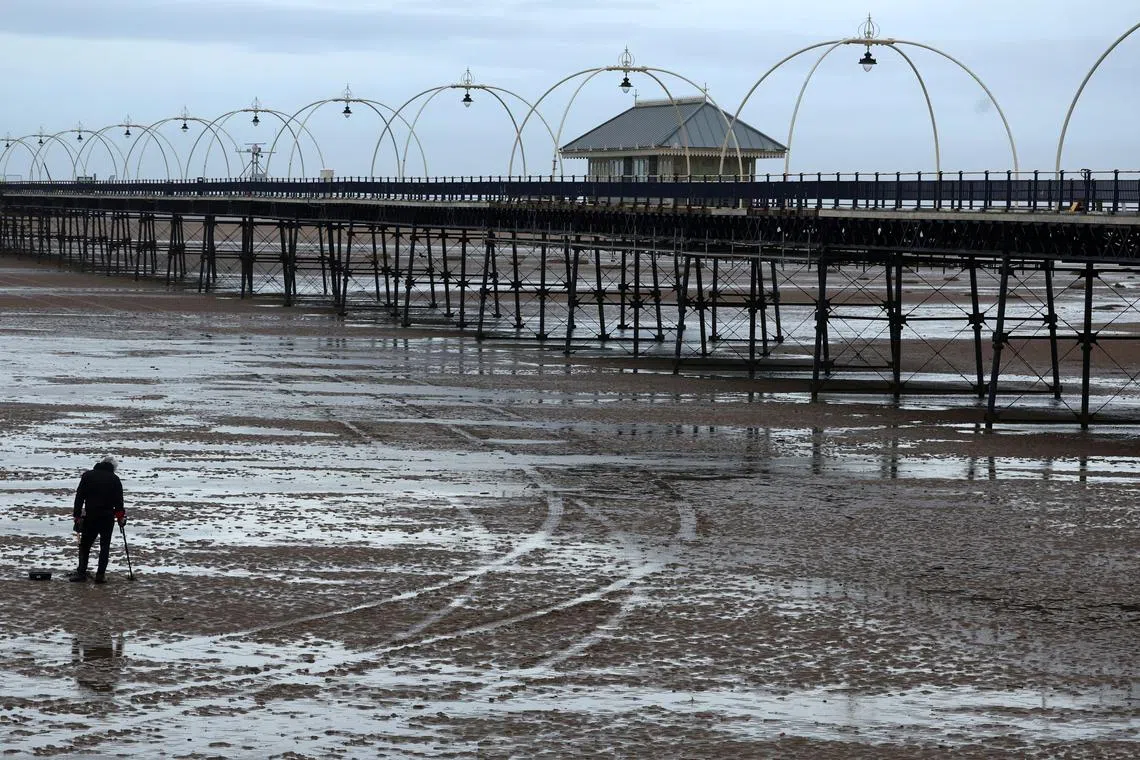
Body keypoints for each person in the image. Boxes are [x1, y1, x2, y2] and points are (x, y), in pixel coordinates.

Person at [69, 455, 126, 584]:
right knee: (104, 547)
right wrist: (120, 518)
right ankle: (100, 576)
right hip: (107, 517)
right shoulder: (115, 479)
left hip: (91, 516)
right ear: (113, 468)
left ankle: (81, 573)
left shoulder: (88, 476)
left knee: (85, 546)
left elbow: (79, 497)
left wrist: (77, 516)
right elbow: (119, 502)